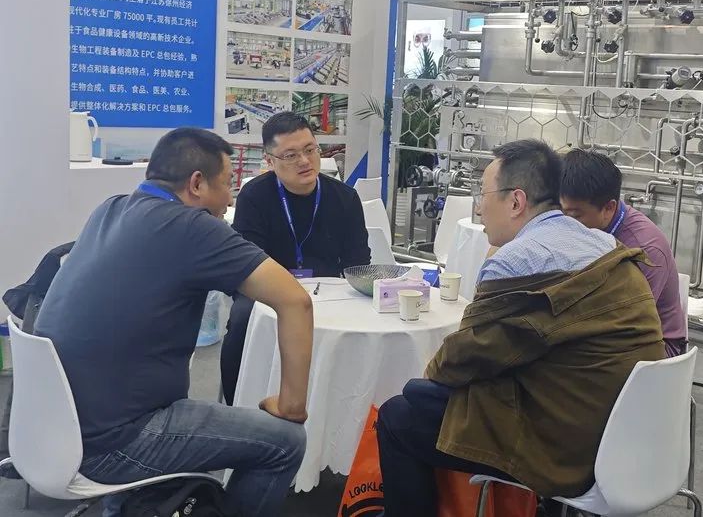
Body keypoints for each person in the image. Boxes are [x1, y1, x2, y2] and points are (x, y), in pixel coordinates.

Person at [376, 139, 665, 517]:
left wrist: (430, 375)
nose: (478, 208)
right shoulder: (605, 243)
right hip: (628, 436)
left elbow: (461, 360)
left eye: (483, 195)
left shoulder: (516, 261)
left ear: (516, 201)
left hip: (568, 449)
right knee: (427, 396)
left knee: (400, 413)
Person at [34, 128, 313, 517]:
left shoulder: (110, 209)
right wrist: (292, 405)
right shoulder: (192, 227)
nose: (229, 199)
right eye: (225, 185)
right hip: (114, 442)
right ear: (197, 184)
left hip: (56, 430)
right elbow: (296, 301)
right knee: (286, 441)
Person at [222, 111, 370, 405]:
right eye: (290, 155)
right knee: (241, 318)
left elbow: (358, 263)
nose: (304, 161)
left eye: (310, 150)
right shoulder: (255, 196)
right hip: (269, 290)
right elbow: (247, 262)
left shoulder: (344, 198)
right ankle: (237, 405)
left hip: (329, 290)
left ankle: (346, 400)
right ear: (270, 161)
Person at [560, 148, 687, 357]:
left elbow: (625, 322)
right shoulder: (588, 230)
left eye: (575, 215)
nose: (565, 223)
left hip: (652, 345)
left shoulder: (643, 249)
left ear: (609, 208)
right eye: (561, 212)